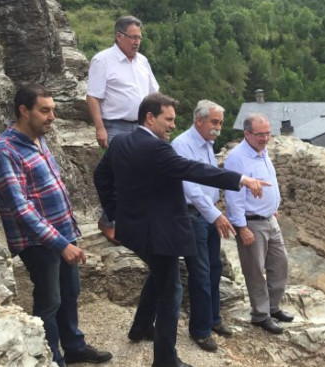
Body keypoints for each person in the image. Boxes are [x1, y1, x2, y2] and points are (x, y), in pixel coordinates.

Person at [93, 93, 268, 367]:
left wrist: (116, 214)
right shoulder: (158, 149)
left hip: (135, 229)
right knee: (171, 291)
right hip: (160, 232)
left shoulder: (121, 142)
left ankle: (140, 328)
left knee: (159, 276)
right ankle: (165, 359)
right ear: (150, 118)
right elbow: (193, 170)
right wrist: (241, 179)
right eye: (169, 119)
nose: (173, 125)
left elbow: (100, 176)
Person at [0, 84, 112, 367]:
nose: (52, 116)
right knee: (49, 301)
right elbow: (21, 208)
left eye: (53, 110)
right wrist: (60, 243)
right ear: (23, 111)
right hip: (38, 243)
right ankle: (51, 358)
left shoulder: (38, 139)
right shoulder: (3, 151)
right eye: (45, 110)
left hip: (63, 234)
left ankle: (74, 346)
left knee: (70, 292)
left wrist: (67, 237)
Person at [86, 15, 159, 244]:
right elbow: (93, 97)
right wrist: (100, 128)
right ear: (119, 36)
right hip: (115, 126)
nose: (137, 42)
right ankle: (108, 222)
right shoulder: (103, 60)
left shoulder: (142, 61)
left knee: (141, 175)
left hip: (140, 126)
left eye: (139, 37)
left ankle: (130, 221)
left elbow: (153, 95)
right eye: (133, 37)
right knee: (120, 175)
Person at [170, 100, 234, 352]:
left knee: (214, 269)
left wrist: (215, 212)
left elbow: (210, 180)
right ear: (199, 120)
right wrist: (216, 215)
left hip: (207, 214)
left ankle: (214, 318)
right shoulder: (182, 145)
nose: (218, 128)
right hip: (194, 216)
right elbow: (191, 189)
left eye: (220, 123)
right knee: (200, 274)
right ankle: (200, 330)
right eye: (214, 122)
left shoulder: (207, 144)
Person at [224, 113, 294, 335]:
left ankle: (273, 307)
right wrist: (242, 227)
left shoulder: (261, 151)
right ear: (247, 134)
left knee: (279, 264)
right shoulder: (237, 158)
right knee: (254, 271)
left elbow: (267, 181)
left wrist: (272, 206)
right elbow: (233, 195)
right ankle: (260, 315)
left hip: (269, 219)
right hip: (251, 223)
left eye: (268, 133)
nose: (265, 138)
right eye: (260, 134)